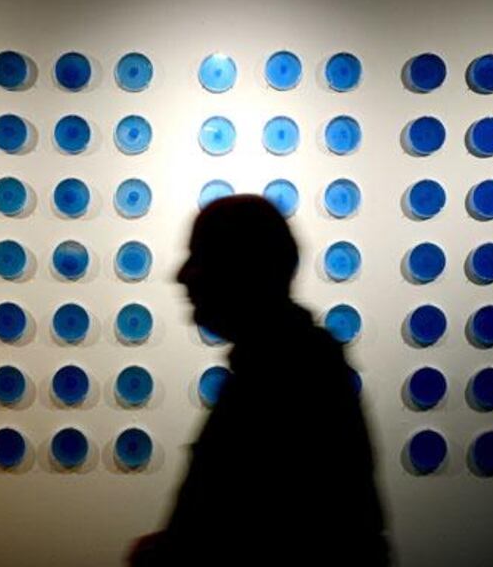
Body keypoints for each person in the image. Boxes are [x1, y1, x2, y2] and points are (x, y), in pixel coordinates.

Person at [127, 195, 390, 566]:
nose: (182, 275)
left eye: (201, 256)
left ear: (243, 270)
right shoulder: (292, 369)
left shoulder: (286, 385)